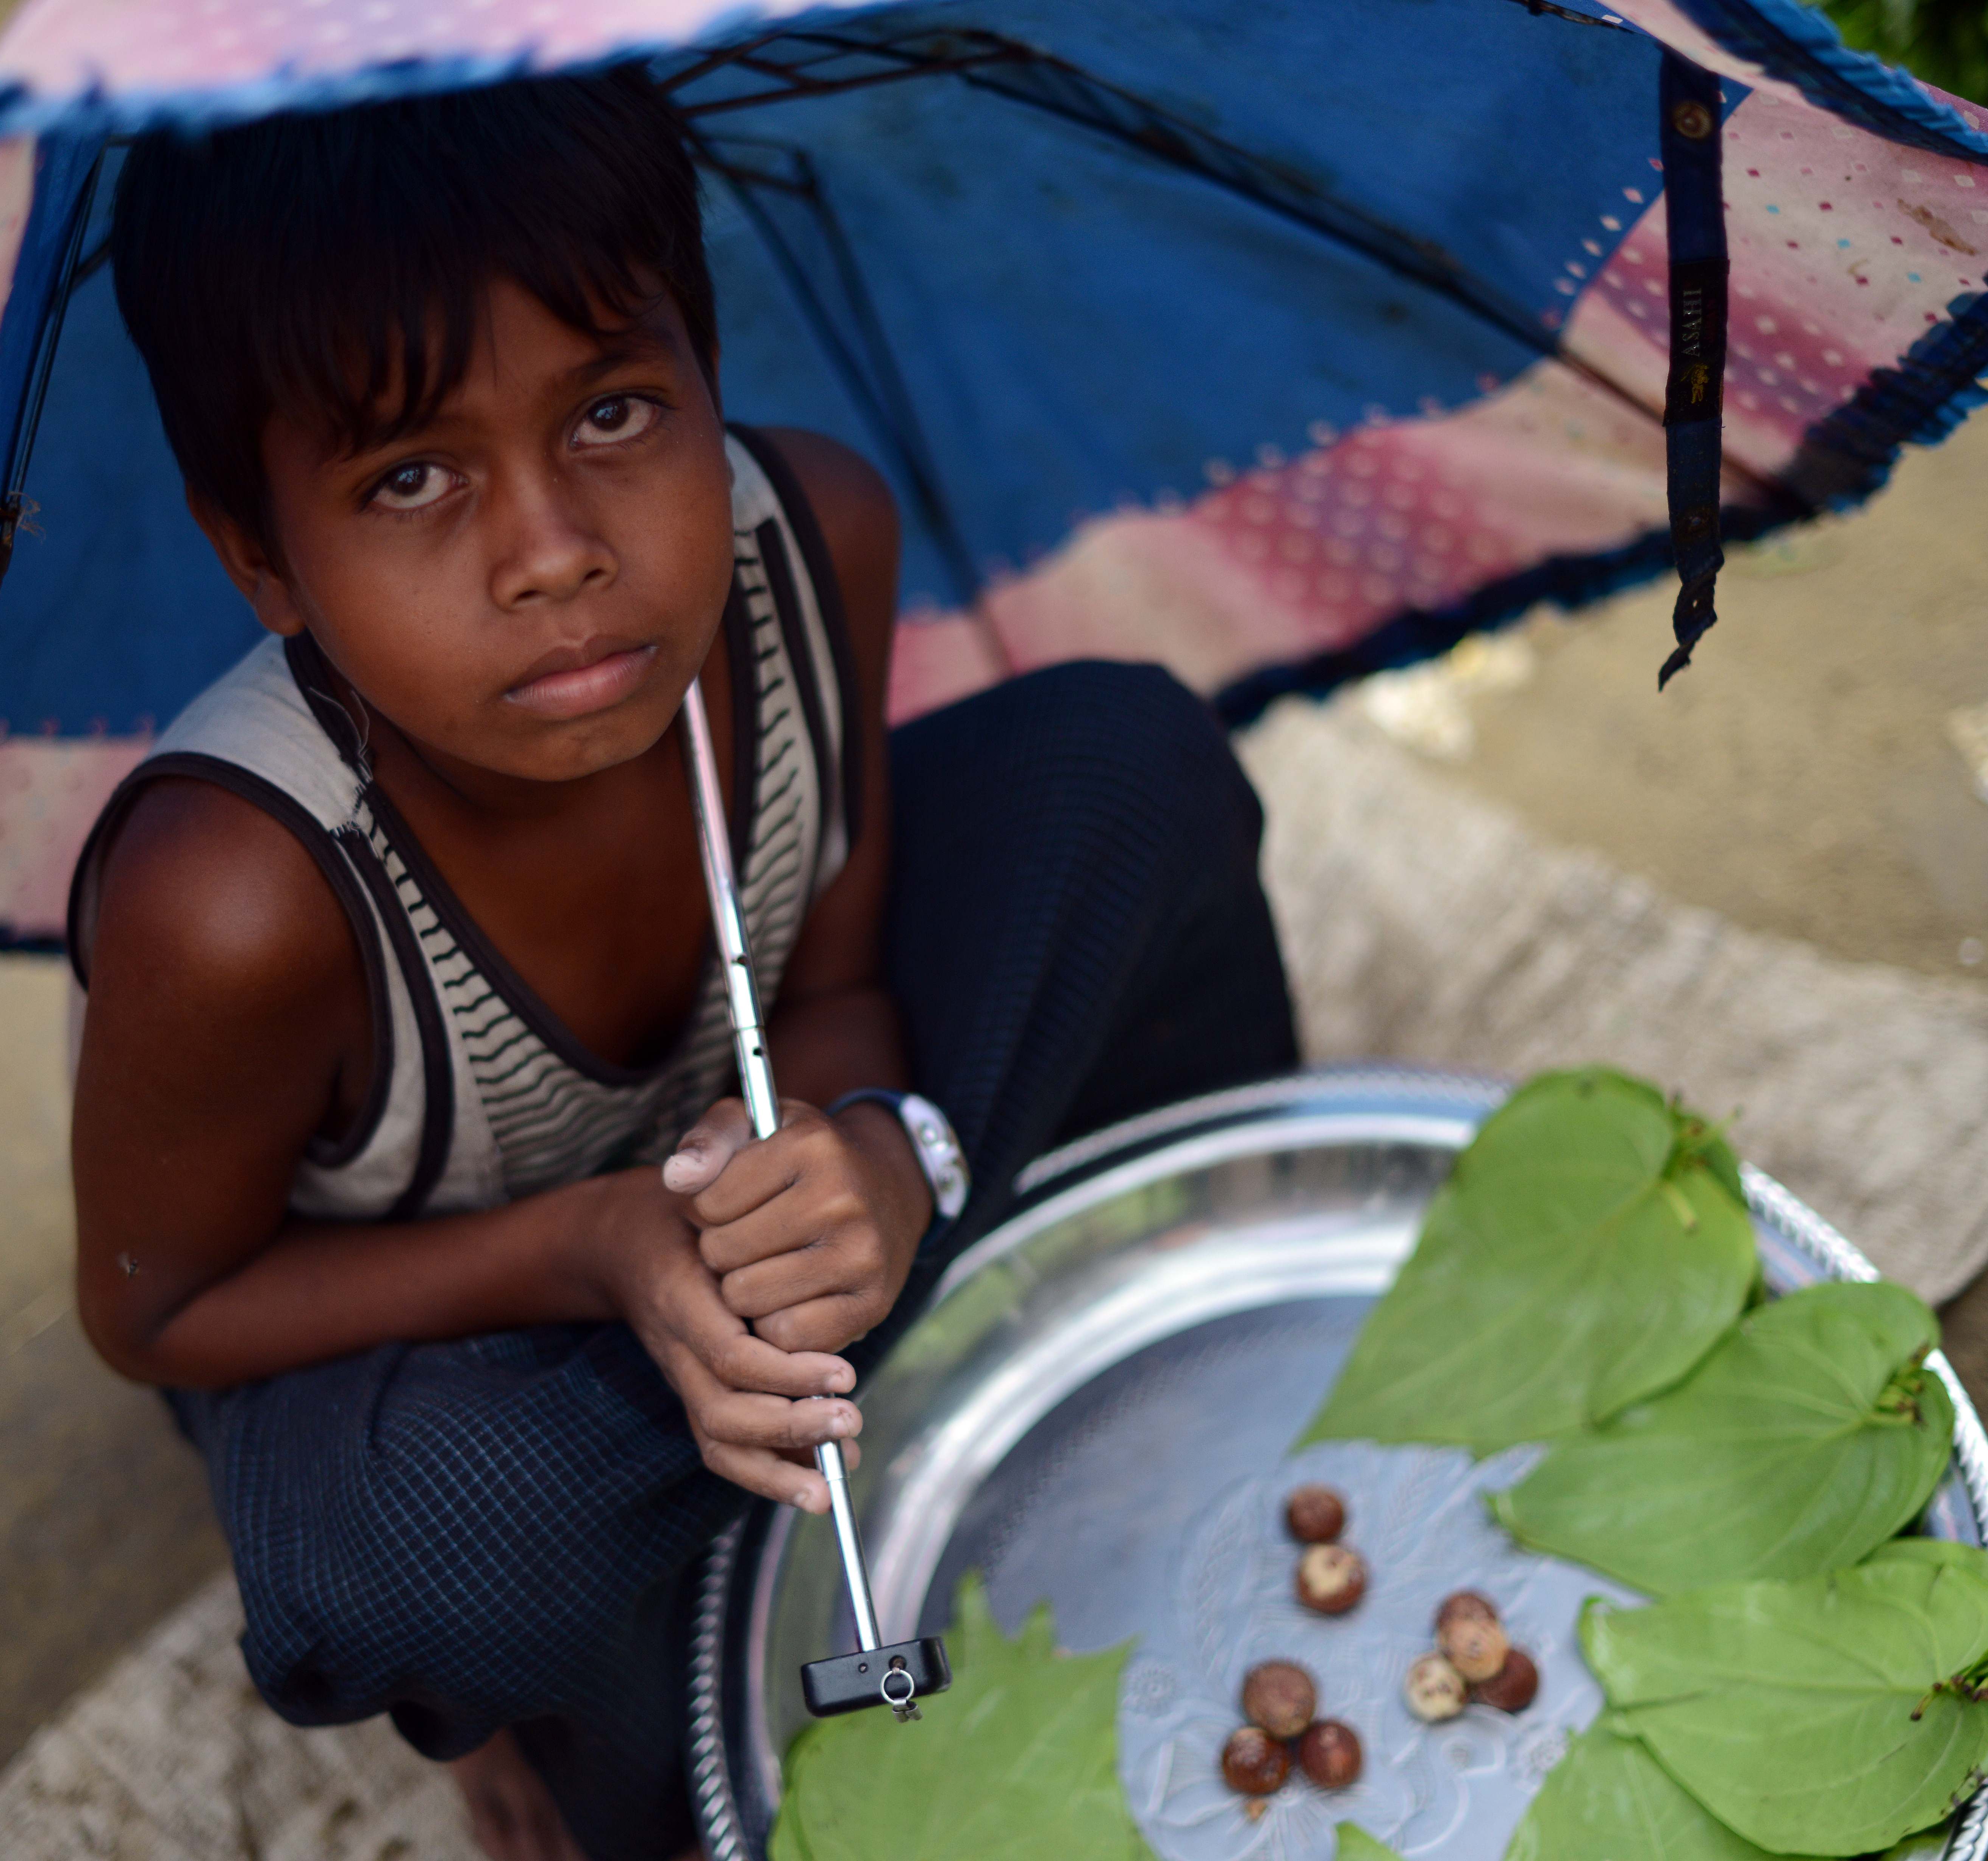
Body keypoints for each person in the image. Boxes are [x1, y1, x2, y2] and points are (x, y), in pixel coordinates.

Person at [70, 65, 1298, 1861]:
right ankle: (569, 1720)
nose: (556, 552)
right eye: (410, 474)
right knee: (429, 1562)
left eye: (617, 410)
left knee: (1129, 774)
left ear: (711, 378)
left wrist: (879, 1144)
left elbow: (831, 982)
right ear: (260, 552)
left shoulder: (811, 543)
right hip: (445, 1311)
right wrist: (593, 1247)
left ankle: (1106, 1291)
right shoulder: (236, 900)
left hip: (718, 1183)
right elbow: (159, 1312)